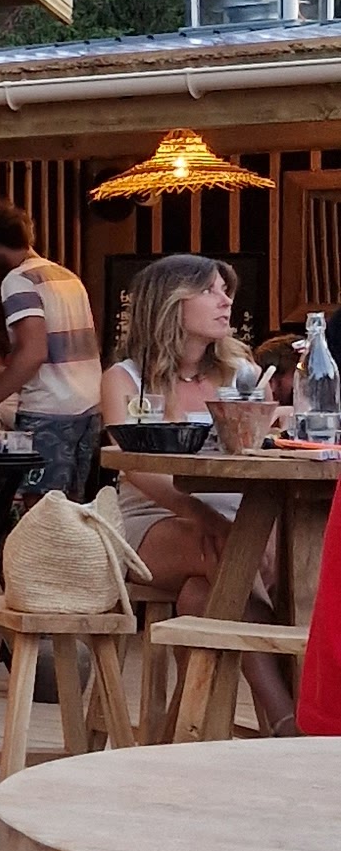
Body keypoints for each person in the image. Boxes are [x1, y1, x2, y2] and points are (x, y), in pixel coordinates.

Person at [102, 256, 288, 724]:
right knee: (233, 549)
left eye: (226, 290)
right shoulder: (125, 378)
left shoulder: (243, 372)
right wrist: (203, 515)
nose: (226, 301)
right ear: (170, 302)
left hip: (241, 516)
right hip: (155, 518)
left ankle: (190, 725)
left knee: (201, 596)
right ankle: (289, 717)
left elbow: (262, 452)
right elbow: (135, 468)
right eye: (210, 290)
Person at [0, 201, 102, 499]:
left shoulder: (18, 280)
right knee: (74, 508)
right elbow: (59, 348)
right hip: (89, 407)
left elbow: (33, 351)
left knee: (41, 509)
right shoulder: (67, 277)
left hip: (49, 411)